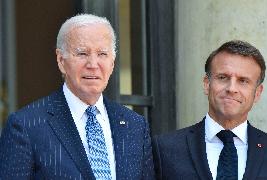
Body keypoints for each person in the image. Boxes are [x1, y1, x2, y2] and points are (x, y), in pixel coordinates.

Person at [0, 14, 154, 179]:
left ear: (112, 63)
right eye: (82, 54)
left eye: (102, 54)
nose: (93, 65)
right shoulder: (26, 126)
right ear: (61, 60)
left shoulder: (135, 126)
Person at [152, 40, 267, 180]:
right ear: (207, 84)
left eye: (243, 81)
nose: (231, 88)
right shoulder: (164, 149)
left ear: (257, 93)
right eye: (222, 77)